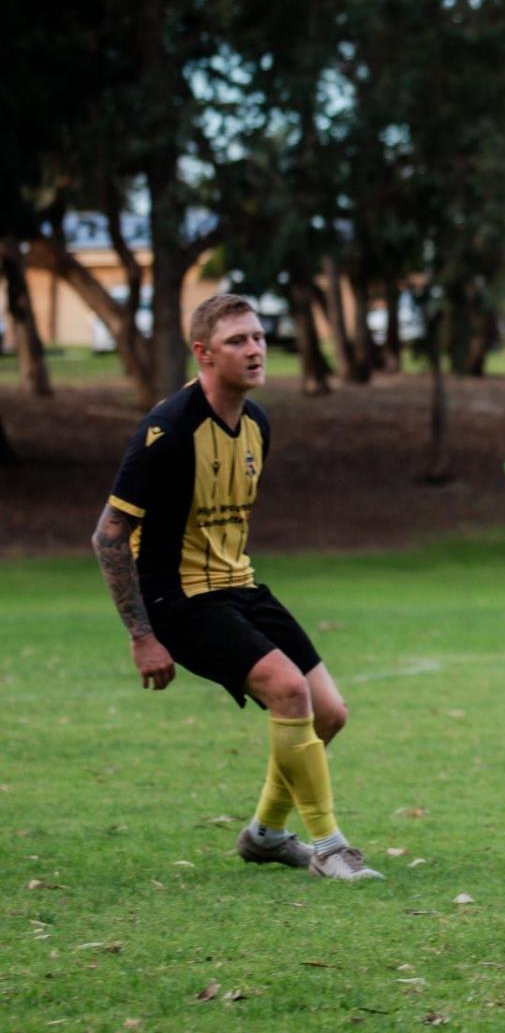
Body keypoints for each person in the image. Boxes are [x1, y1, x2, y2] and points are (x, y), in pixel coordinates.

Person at [91, 294, 382, 882]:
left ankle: (266, 835)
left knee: (329, 713)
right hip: (178, 598)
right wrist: (142, 635)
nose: (255, 350)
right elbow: (108, 535)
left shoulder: (257, 423)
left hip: (240, 586)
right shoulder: (167, 431)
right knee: (288, 690)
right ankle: (329, 847)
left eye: (259, 337)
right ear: (203, 353)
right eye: (237, 341)